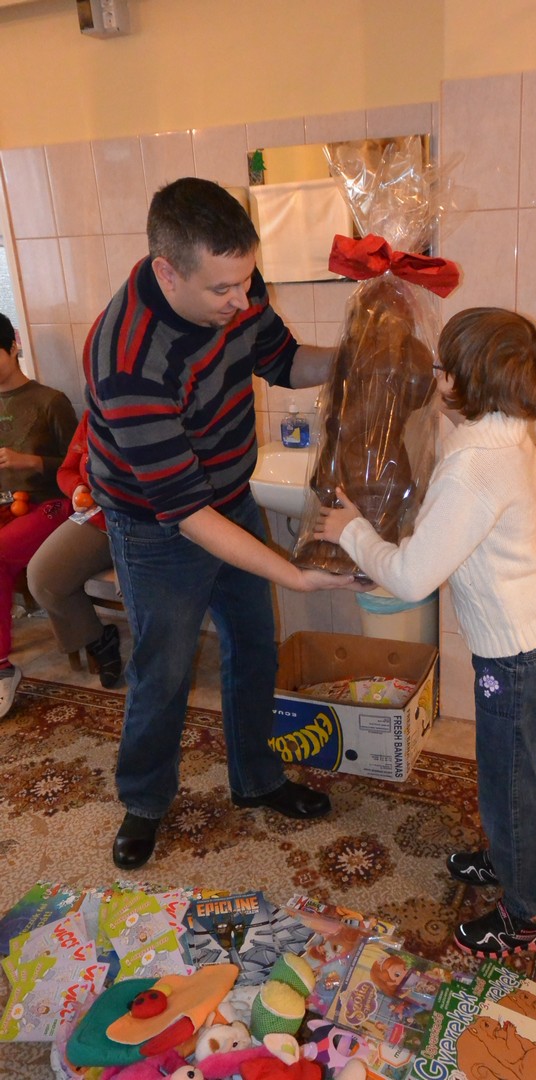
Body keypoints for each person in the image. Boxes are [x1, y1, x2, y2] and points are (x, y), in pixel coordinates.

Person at [84, 177, 362, 873]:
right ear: (167, 272)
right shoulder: (128, 360)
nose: (242, 301)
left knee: (255, 646)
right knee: (164, 670)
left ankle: (258, 779)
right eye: (223, 290)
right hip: (155, 527)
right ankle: (144, 800)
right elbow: (185, 513)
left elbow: (282, 360)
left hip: (229, 497)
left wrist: (358, 361)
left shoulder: (232, 281)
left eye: (246, 281)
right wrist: (295, 573)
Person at [314, 307, 536, 959]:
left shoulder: (473, 468)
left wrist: (351, 530)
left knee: (508, 781)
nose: (434, 377)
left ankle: (527, 914)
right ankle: (508, 856)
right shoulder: (504, 430)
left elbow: (411, 578)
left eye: (441, 368)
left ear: (465, 383)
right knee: (516, 768)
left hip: (518, 654)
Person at [0, 313, 78, 718]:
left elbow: (77, 467)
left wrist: (28, 461)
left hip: (50, 504)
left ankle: (1, 669)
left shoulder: (50, 401)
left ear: (13, 345)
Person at [26, 411, 121, 688]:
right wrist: (78, 489)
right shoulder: (94, 412)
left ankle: (159, 671)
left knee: (143, 594)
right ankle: (99, 640)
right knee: (44, 578)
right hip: (97, 520)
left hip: (146, 528)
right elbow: (66, 470)